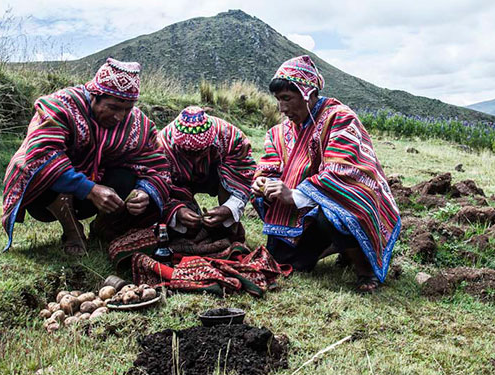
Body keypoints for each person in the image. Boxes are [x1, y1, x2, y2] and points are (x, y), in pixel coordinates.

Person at [251, 55, 401, 293]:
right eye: (278, 100)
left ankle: (365, 269)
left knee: (333, 212)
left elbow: (344, 171)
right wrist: (264, 182)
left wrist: (294, 195)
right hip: (305, 208)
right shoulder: (279, 132)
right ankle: (337, 246)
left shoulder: (340, 118)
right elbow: (269, 165)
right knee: (288, 262)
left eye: (287, 99)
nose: (282, 108)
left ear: (308, 94)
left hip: (348, 201)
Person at [1, 58, 172, 255]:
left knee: (127, 177)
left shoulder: (136, 123)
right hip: (49, 197)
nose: (120, 116)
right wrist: (89, 189)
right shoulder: (61, 106)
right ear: (94, 96)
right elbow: (41, 154)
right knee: (42, 170)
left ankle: (104, 227)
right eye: (114, 107)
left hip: (98, 193)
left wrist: (144, 192)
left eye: (128, 108)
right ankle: (72, 230)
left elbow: (157, 165)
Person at [157, 106, 256, 240]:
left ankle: (229, 230)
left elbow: (243, 174)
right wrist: (177, 211)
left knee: (227, 225)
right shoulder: (162, 147)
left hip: (214, 172)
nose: (196, 159)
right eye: (189, 153)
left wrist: (229, 208)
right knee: (187, 227)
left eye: (200, 152)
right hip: (178, 177)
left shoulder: (230, 138)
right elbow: (158, 186)